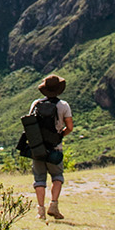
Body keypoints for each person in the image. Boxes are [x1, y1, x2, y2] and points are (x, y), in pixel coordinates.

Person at [26, 74, 75, 219]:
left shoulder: (36, 104)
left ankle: (40, 211)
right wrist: (59, 136)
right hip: (55, 147)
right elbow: (70, 127)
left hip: (38, 148)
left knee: (39, 179)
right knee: (57, 176)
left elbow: (29, 125)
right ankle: (53, 205)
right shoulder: (64, 106)